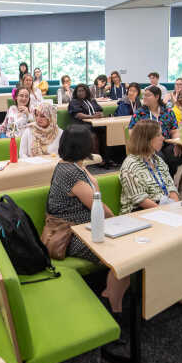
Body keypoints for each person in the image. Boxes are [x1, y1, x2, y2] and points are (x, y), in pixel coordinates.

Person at [43, 125, 129, 313]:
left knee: (126, 246)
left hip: (84, 227)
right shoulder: (70, 173)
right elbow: (96, 204)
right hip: (71, 234)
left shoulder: (70, 165)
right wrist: (117, 221)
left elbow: (93, 190)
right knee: (124, 255)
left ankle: (112, 291)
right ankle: (115, 306)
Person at [119, 120, 180, 213]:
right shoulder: (130, 166)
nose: (163, 138)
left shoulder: (157, 160)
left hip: (163, 208)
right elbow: (140, 200)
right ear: (147, 139)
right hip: (139, 212)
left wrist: (175, 207)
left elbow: (171, 187)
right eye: (159, 135)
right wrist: (166, 212)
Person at [129, 86, 181, 175]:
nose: (144, 98)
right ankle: (160, 182)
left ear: (157, 97)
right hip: (148, 145)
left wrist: (176, 143)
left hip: (167, 142)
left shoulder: (167, 111)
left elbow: (175, 130)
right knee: (158, 156)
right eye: (144, 95)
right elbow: (132, 131)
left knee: (175, 154)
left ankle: (172, 181)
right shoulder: (140, 113)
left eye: (148, 95)